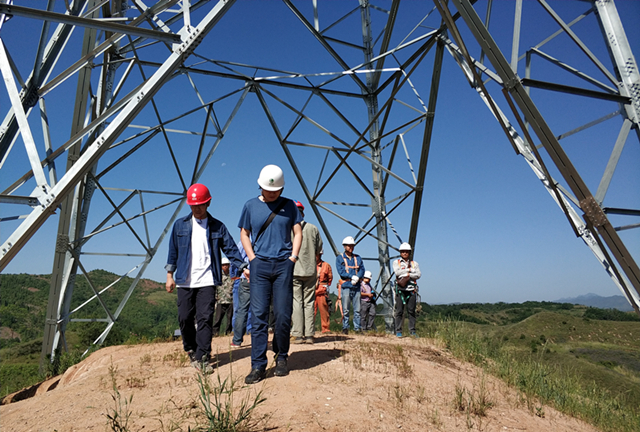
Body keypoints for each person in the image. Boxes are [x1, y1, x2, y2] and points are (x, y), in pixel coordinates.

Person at [165, 183, 249, 373]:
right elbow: (173, 252)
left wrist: (243, 267)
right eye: (193, 205)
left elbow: (231, 249)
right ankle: (191, 348)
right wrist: (169, 275)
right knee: (185, 317)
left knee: (205, 318)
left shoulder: (218, 227)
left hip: (208, 280)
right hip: (185, 280)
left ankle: (202, 356)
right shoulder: (180, 225)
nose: (197, 208)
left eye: (201, 205)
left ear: (208, 203)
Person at [239, 164, 302, 384]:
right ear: (260, 186)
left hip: (284, 264)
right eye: (268, 189)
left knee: (284, 314)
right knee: (258, 317)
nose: (272, 192)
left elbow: (297, 231)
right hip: (260, 266)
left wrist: (292, 257)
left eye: (276, 189)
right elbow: (244, 233)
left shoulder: (291, 206)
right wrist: (252, 258)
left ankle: (281, 356)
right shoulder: (250, 206)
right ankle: (257, 365)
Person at [291, 200, 323, 344]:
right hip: (310, 271)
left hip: (294, 270)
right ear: (303, 212)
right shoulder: (313, 228)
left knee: (297, 302)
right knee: (309, 302)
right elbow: (318, 251)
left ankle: (298, 335)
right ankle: (309, 335)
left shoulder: (288, 229)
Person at [336, 236, 364, 334]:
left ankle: (357, 328)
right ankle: (345, 327)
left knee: (357, 309)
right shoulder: (340, 258)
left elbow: (362, 269)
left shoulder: (358, 258)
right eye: (349, 246)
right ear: (344, 246)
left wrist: (358, 277)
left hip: (356, 286)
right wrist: (352, 276)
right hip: (346, 286)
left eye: (352, 246)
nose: (351, 247)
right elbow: (341, 271)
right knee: (346, 309)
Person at [393, 242, 422, 338]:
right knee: (399, 311)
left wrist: (406, 274)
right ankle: (398, 331)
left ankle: (412, 331)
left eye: (406, 252)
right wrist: (409, 271)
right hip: (401, 290)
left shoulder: (415, 264)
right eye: (403, 251)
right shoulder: (396, 262)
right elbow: (397, 273)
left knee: (411, 311)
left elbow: (418, 275)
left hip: (411, 290)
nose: (405, 253)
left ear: (409, 253)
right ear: (400, 252)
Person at [231, 240, 251, 349]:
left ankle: (237, 340)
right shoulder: (267, 237)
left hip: (246, 278)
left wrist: (235, 275)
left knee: (242, 309)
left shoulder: (245, 241)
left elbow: (236, 258)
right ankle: (260, 338)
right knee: (261, 309)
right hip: (263, 278)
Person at [212, 257, 234, 336]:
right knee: (218, 318)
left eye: (226, 265)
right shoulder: (218, 276)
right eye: (223, 265)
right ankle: (215, 333)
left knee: (230, 318)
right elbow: (215, 288)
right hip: (220, 300)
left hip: (230, 300)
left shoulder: (232, 276)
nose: (225, 266)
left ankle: (228, 332)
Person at [314, 250, 333, 334]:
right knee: (311, 312)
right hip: (311, 292)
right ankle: (309, 329)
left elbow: (330, 278)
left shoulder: (326, 265)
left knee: (324, 311)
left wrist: (324, 286)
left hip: (322, 292)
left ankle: (325, 329)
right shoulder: (309, 265)